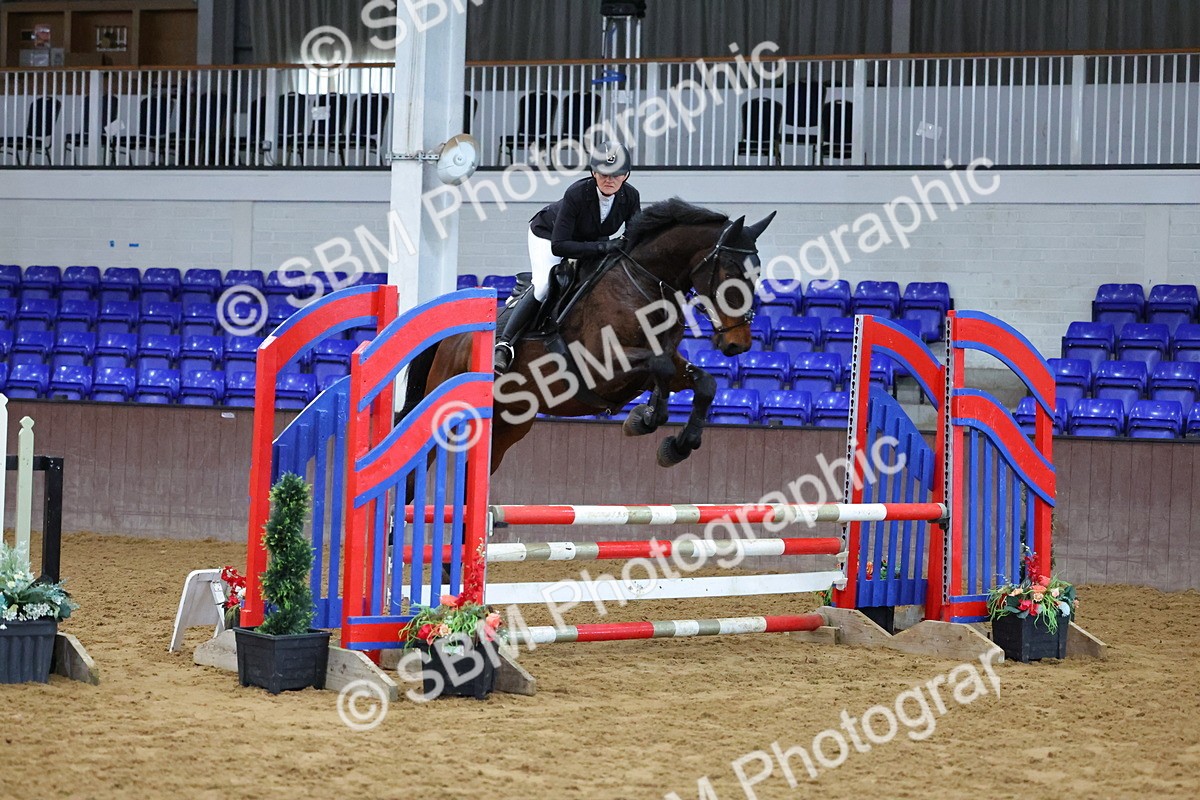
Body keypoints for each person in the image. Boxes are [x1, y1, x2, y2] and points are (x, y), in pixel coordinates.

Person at [493, 141, 642, 373]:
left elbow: (634, 238)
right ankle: (504, 344)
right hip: (548, 236)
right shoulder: (577, 193)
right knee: (543, 286)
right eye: (603, 174)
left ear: (626, 175)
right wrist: (605, 248)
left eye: (617, 174)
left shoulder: (631, 196)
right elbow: (560, 247)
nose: (609, 180)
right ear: (593, 172)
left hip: (590, 241)